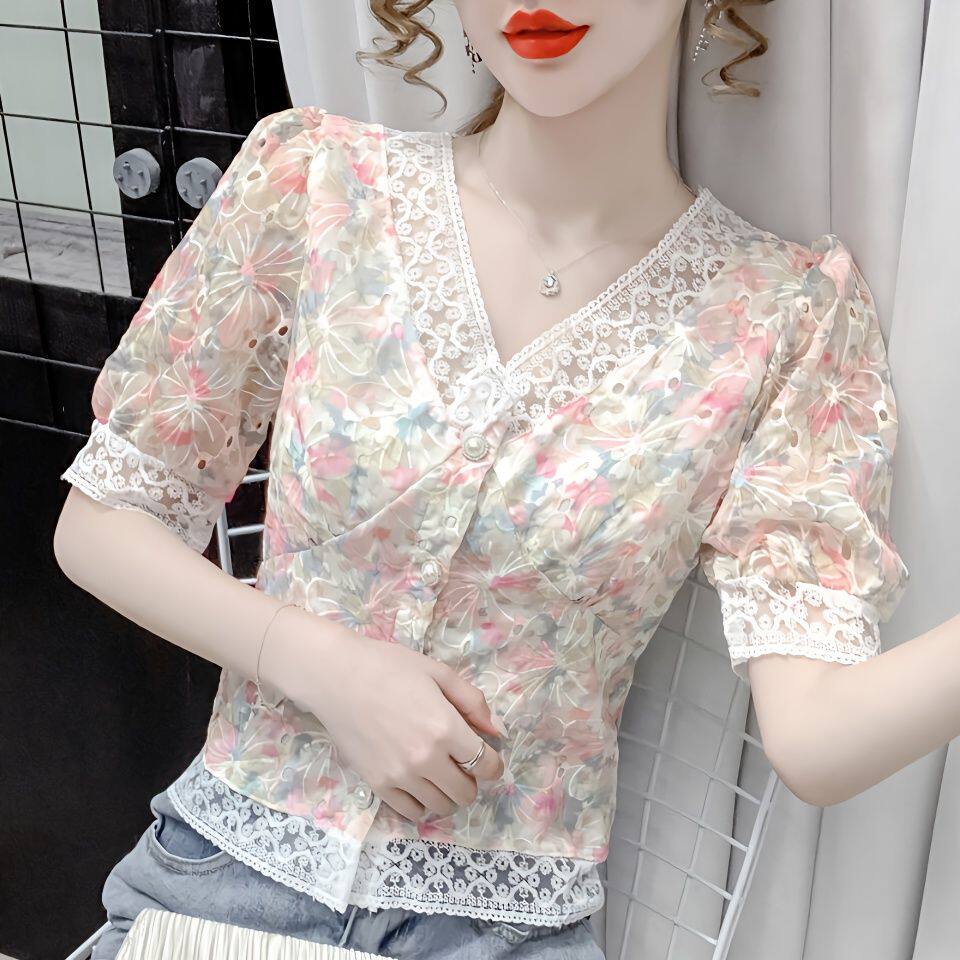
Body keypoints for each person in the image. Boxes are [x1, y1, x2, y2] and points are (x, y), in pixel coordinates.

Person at [52, 0, 960, 957]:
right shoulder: (317, 181)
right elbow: (102, 522)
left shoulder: (785, 316)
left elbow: (815, 739)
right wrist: (325, 666)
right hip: (223, 889)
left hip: (503, 933)